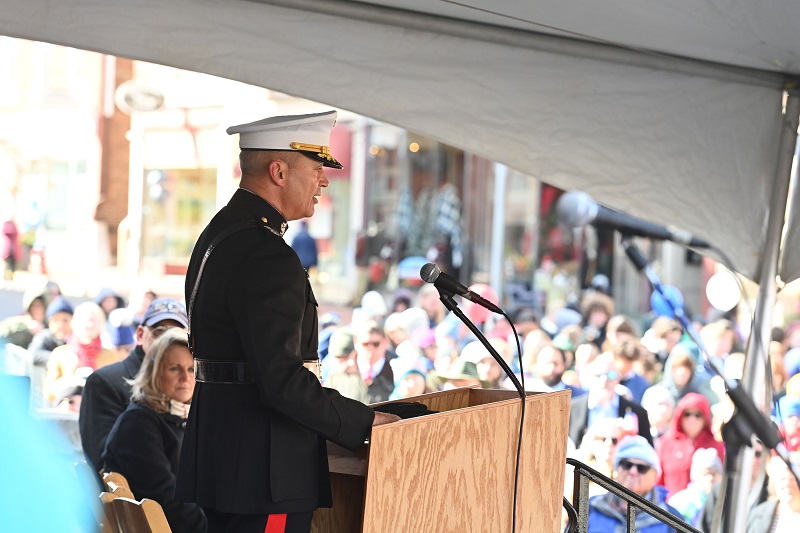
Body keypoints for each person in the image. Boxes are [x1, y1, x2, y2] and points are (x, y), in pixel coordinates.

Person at [174, 110, 399, 533]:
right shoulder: (265, 252)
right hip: (265, 473)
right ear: (278, 171)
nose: (324, 181)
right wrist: (368, 424)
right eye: (316, 168)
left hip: (229, 461)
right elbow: (281, 380)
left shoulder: (222, 234)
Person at [102, 328, 206, 532]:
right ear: (155, 372)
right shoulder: (139, 423)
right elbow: (166, 498)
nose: (185, 378)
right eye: (175, 368)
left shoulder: (183, 419)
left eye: (192, 369)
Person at [79, 297, 188, 473]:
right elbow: (104, 464)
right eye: (160, 332)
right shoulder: (105, 382)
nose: (166, 342)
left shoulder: (188, 383)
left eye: (175, 335)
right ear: (140, 334)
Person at [587, 436, 683, 532]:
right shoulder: (593, 506)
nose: (633, 471)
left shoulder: (672, 519)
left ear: (655, 476)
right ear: (617, 468)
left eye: (641, 468)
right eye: (626, 465)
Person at [569, 351, 652, 446]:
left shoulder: (637, 412)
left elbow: (646, 451)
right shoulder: (572, 409)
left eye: (611, 375)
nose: (604, 380)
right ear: (589, 378)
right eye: (598, 375)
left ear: (618, 378)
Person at [656, 392, 724, 497]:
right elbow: (657, 481)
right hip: (668, 509)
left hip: (706, 509)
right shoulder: (665, 443)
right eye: (687, 414)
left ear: (705, 418)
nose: (692, 419)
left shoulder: (716, 445)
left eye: (698, 415)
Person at [667, 448, 722, 528]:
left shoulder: (728, 502)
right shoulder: (680, 502)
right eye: (705, 474)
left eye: (714, 473)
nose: (710, 478)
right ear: (695, 477)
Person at [353, 319, 395, 404]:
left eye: (376, 344)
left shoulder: (397, 372)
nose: (370, 349)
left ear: (385, 342)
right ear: (356, 342)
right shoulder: (340, 374)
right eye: (365, 344)